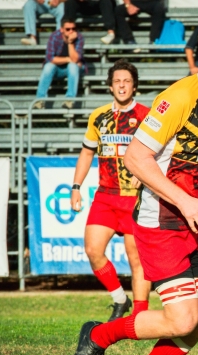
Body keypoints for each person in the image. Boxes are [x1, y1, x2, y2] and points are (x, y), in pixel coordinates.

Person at [72, 12, 198, 355]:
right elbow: (136, 157)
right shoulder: (180, 96)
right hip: (162, 220)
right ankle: (98, 336)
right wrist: (184, 199)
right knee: (183, 320)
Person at [70, 60, 151, 322]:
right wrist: (75, 187)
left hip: (135, 198)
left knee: (135, 259)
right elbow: (86, 152)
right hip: (105, 196)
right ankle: (120, 299)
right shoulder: (99, 116)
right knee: (93, 250)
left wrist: (147, 176)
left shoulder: (146, 117)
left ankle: (140, 316)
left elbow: (162, 152)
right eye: (117, 81)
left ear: (134, 85)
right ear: (110, 86)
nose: (122, 85)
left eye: (127, 81)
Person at [34, 17, 85, 109]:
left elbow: (74, 60)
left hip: (74, 69)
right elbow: (50, 58)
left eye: (73, 29)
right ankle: (39, 101)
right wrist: (68, 59)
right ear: (61, 29)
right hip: (57, 69)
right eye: (68, 29)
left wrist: (70, 42)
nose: (71, 31)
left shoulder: (79, 37)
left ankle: (69, 100)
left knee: (73, 66)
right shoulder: (54, 36)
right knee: (48, 66)